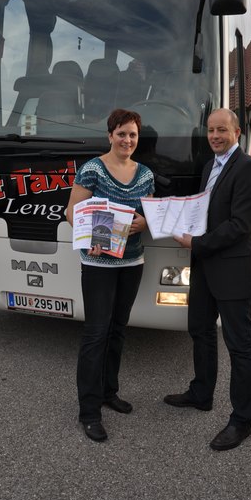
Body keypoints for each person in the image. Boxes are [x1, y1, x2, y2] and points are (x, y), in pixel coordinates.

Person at [164, 108, 251, 451]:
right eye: (210, 130)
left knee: (240, 345)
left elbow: (240, 225)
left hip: (233, 269)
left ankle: (242, 421)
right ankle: (201, 393)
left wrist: (197, 242)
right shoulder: (210, 166)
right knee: (200, 329)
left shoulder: (249, 169)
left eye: (221, 130)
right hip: (206, 265)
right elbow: (201, 211)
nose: (214, 136)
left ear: (237, 131)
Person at [66, 108, 155, 442]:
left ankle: (108, 392)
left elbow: (150, 212)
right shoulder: (92, 169)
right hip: (99, 264)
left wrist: (146, 222)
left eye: (132, 134)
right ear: (110, 136)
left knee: (118, 330)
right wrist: (94, 239)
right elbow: (71, 211)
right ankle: (89, 412)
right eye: (121, 134)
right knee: (96, 334)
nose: (127, 140)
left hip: (132, 263)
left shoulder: (145, 173)